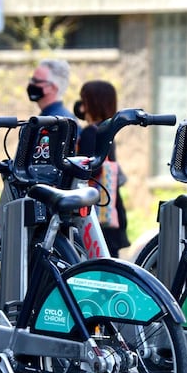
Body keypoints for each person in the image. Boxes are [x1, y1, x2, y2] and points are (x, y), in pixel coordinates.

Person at [75, 80, 130, 258]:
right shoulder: (107, 130)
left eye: (84, 100)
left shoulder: (91, 133)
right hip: (111, 210)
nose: (80, 106)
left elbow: (85, 170)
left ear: (91, 103)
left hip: (96, 211)